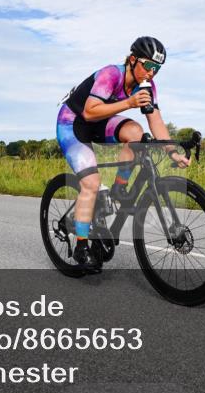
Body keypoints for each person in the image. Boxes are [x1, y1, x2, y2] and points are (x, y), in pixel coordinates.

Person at [56, 37, 190, 272]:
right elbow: (89, 112)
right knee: (91, 183)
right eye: (148, 66)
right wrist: (129, 102)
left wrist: (172, 152)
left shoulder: (147, 86)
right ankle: (81, 246)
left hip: (100, 121)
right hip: (73, 124)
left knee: (136, 133)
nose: (152, 73)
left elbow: (155, 120)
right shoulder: (111, 75)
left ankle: (119, 187)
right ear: (132, 60)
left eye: (157, 69)